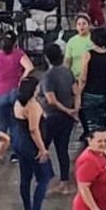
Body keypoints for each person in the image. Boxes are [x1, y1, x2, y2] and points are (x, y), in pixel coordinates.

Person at [13, 76, 53, 210]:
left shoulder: (17, 102)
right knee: (44, 177)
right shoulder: (32, 105)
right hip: (32, 146)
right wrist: (42, 149)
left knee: (25, 178)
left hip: (19, 142)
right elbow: (33, 130)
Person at [40, 43, 78, 196]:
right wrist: (74, 109)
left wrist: (67, 109)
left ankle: (45, 179)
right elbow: (76, 91)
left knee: (42, 148)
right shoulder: (67, 71)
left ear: (46, 58)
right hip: (66, 119)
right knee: (62, 149)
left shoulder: (48, 76)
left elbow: (51, 100)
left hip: (52, 117)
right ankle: (64, 183)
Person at [0, 31, 33, 145]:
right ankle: (15, 151)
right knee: (15, 124)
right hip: (14, 93)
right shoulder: (19, 54)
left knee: (1, 125)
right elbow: (30, 67)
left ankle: (0, 150)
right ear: (15, 43)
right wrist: (22, 80)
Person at [78, 27, 106, 138]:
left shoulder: (88, 55)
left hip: (90, 94)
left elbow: (83, 78)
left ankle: (93, 147)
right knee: (102, 123)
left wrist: (78, 94)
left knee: (92, 126)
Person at [64, 14, 93, 79]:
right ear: (76, 27)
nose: (81, 26)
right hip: (75, 77)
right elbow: (67, 60)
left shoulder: (94, 39)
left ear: (89, 25)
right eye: (79, 24)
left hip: (91, 77)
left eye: (84, 23)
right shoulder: (72, 41)